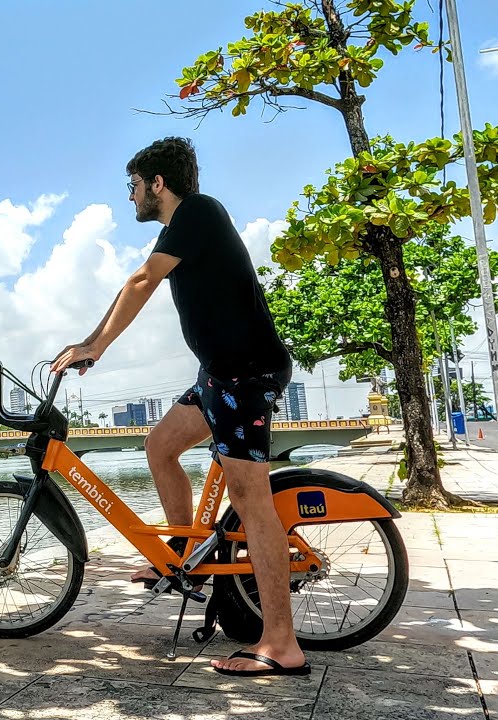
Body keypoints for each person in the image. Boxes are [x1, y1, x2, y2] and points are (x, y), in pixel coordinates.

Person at [51, 137, 307, 678]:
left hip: (246, 373)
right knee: (160, 446)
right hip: (218, 376)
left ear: (158, 184)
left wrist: (93, 344)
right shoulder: (182, 228)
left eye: (134, 186)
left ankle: (281, 644)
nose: (131, 198)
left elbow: (141, 281)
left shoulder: (198, 212)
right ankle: (183, 559)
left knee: (250, 498)